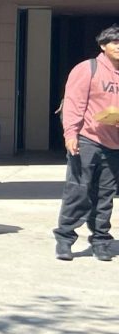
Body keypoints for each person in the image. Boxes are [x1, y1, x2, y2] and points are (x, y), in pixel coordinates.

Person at [53, 24, 119, 262]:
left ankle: (101, 240)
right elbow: (73, 104)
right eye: (115, 42)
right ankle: (64, 238)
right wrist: (70, 134)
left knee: (105, 195)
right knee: (78, 191)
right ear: (103, 46)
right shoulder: (87, 69)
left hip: (114, 145)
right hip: (87, 139)